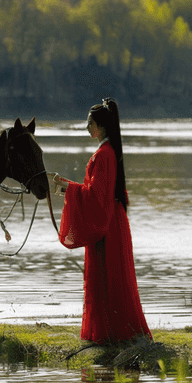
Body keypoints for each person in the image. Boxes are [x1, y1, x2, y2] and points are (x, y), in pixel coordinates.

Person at [53, 98, 152, 344]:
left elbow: (96, 197)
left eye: (90, 123)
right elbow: (95, 192)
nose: (87, 127)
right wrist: (66, 187)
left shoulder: (105, 154)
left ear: (101, 126)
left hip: (107, 224)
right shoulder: (107, 152)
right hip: (110, 221)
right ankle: (110, 333)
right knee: (106, 277)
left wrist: (66, 187)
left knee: (109, 278)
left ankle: (113, 333)